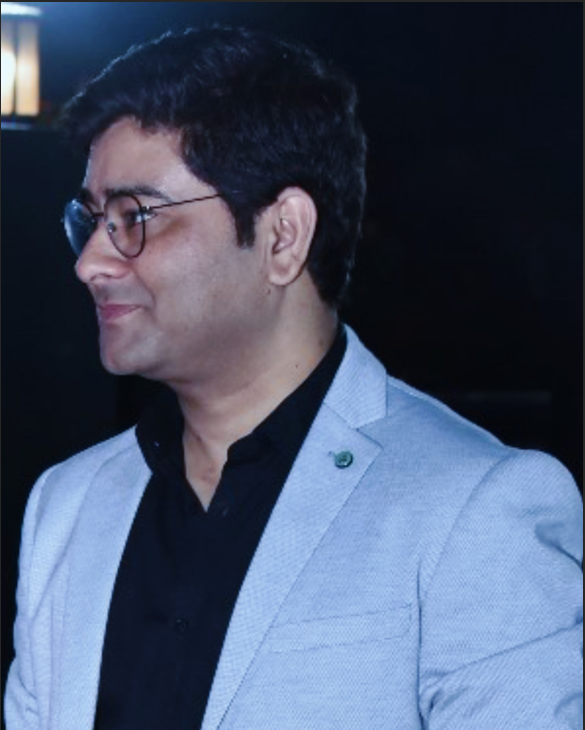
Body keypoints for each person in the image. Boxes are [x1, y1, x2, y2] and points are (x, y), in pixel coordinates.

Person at [5, 25, 583, 730]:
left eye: (135, 216)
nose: (90, 262)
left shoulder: (474, 508)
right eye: (92, 219)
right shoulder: (66, 505)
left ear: (283, 236)